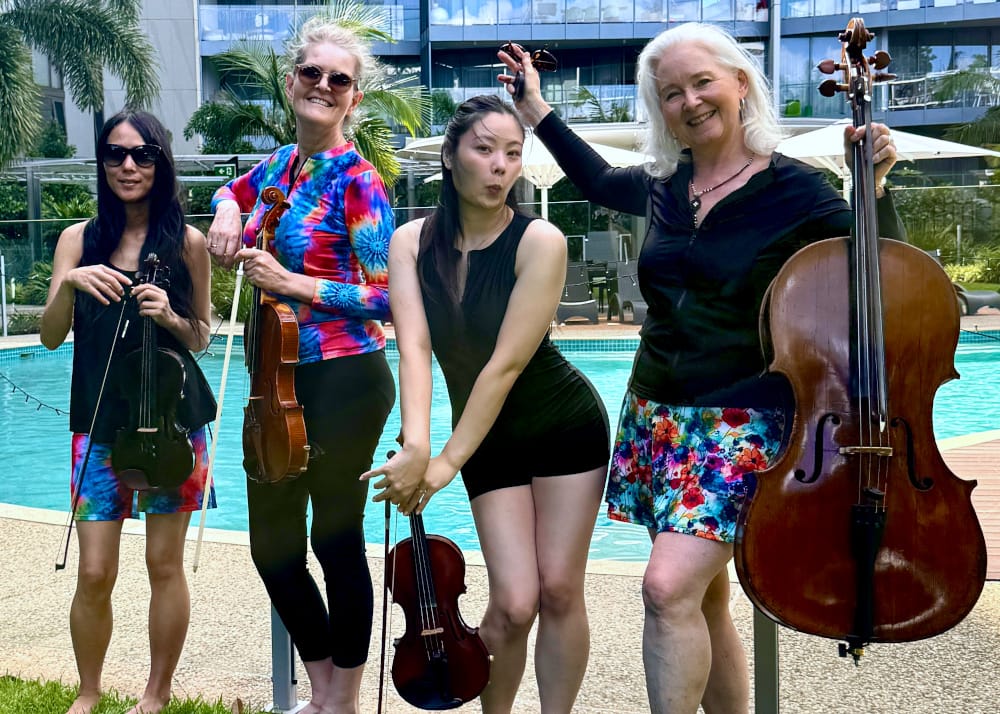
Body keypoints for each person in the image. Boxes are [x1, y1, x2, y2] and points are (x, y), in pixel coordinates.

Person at [499, 24, 903, 714]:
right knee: (704, 597)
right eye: (671, 93)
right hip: (659, 414)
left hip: (744, 420)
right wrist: (536, 109)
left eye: (702, 82)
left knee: (665, 588)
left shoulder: (797, 193)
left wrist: (876, 188)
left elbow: (885, 282)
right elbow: (594, 177)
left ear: (740, 83)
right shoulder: (666, 185)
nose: (689, 101)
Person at [361, 95, 611, 714]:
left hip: (563, 427)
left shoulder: (540, 241)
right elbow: (414, 349)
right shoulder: (411, 243)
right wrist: (416, 446)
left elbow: (503, 367)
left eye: (512, 152)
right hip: (489, 440)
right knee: (513, 601)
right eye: (484, 149)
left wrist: (442, 463)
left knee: (557, 590)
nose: (500, 165)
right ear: (450, 158)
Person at [206, 16, 395, 714]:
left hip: (346, 378)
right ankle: (322, 687)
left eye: (338, 80)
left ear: (354, 100)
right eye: (311, 73)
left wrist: (296, 285)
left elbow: (387, 301)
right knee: (272, 544)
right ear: (291, 83)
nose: (322, 85)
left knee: (334, 536)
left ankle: (340, 700)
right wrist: (226, 209)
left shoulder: (360, 182)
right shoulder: (280, 166)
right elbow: (237, 193)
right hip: (273, 379)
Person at [40, 110, 216, 714]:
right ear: (103, 164)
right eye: (115, 156)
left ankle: (156, 695)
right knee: (94, 571)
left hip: (172, 425)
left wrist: (169, 315)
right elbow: (50, 339)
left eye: (142, 154)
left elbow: (202, 337)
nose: (129, 166)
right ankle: (88, 694)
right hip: (98, 425)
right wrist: (68, 284)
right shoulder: (77, 239)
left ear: (161, 161)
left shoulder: (187, 242)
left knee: (163, 563)